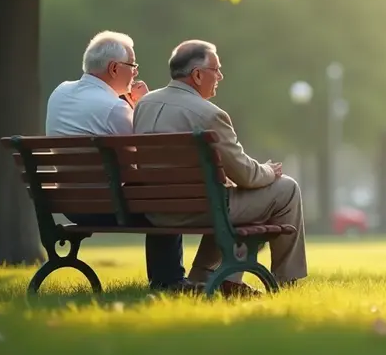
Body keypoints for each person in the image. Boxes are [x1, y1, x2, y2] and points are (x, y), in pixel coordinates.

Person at [133, 40, 307, 296]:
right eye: (216, 69)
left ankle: (206, 276)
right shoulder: (209, 114)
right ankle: (286, 281)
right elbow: (247, 175)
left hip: (155, 210)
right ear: (197, 75)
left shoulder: (144, 104)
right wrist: (270, 171)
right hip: (199, 208)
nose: (220, 76)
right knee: (285, 189)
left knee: (228, 196)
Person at [44, 31, 193, 293]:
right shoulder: (115, 108)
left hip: (69, 205)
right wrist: (142, 105)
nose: (135, 72)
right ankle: (169, 281)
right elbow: (148, 158)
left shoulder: (59, 93)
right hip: (107, 206)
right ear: (114, 67)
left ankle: (170, 280)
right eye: (132, 65)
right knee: (166, 204)